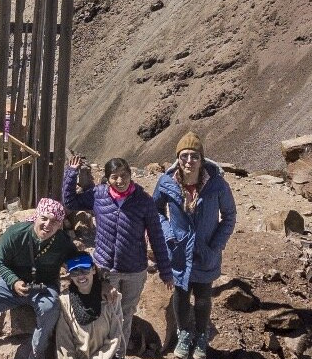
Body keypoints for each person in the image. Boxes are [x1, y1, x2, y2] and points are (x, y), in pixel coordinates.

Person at [63, 155, 174, 358]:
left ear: (130, 175)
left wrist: (166, 271)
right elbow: (70, 201)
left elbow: (156, 236)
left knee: (126, 312)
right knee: (106, 311)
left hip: (134, 270)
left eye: (124, 175)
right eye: (115, 177)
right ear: (107, 179)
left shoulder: (144, 201)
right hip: (106, 268)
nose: (120, 181)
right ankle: (100, 351)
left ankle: (118, 354)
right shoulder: (98, 195)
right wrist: (71, 173)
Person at [0, 198, 86, 359]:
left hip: (44, 285)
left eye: (53, 221)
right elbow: (1, 263)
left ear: (59, 225)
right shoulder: (15, 234)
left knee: (50, 309)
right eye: (44, 218)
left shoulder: (63, 242)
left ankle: (36, 354)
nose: (47, 224)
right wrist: (14, 281)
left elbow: (80, 264)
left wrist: (101, 283)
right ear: (36, 217)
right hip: (10, 283)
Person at [153, 132, 236, 359]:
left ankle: (201, 335)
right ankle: (183, 333)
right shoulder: (166, 182)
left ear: (202, 158)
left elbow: (229, 215)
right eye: (184, 156)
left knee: (202, 297)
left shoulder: (217, 184)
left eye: (194, 156)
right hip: (178, 251)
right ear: (178, 158)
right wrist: (168, 235)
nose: (189, 161)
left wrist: (216, 245)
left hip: (205, 251)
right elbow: (156, 211)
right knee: (180, 295)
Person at [56, 252, 123, 359]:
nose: (80, 275)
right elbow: (64, 342)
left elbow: (115, 337)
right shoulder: (64, 302)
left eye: (84, 269)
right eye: (75, 272)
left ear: (93, 270)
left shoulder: (111, 298)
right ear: (70, 275)